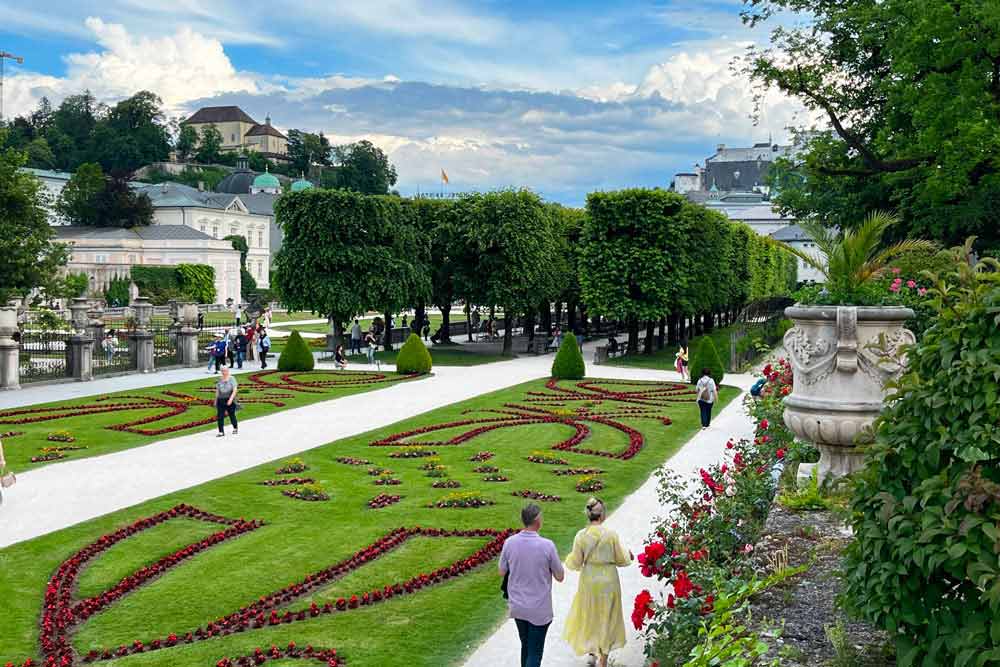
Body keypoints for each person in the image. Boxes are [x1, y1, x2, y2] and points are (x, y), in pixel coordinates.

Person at [563, 498, 633, 667]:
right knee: (608, 616)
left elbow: (575, 562)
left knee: (590, 614)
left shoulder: (581, 535)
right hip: (609, 579)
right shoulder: (610, 535)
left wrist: (567, 559)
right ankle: (604, 657)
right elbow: (621, 559)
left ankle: (591, 652)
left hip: (589, 580)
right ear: (603, 514)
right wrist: (628, 555)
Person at [499, 503, 565, 667]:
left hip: (518, 606)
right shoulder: (547, 545)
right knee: (535, 653)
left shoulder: (509, 542)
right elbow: (560, 576)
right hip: (539, 609)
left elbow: (501, 571)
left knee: (526, 647)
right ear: (537, 520)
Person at [214, 366, 239, 437]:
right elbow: (217, 390)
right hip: (221, 399)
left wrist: (231, 399)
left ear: (228, 371)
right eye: (222, 371)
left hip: (229, 398)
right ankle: (221, 431)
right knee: (220, 416)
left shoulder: (232, 378)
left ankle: (235, 427)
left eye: (225, 371)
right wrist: (216, 400)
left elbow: (235, 390)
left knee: (231, 414)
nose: (224, 372)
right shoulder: (219, 379)